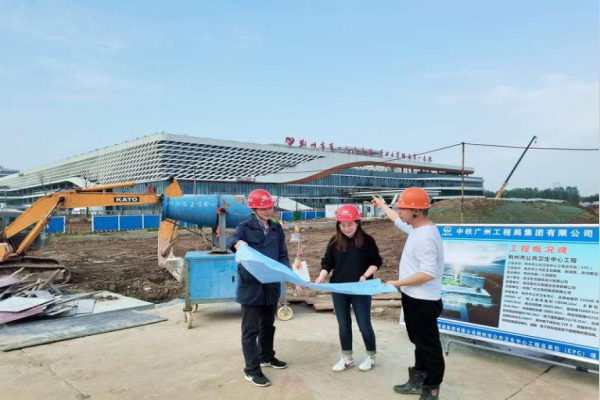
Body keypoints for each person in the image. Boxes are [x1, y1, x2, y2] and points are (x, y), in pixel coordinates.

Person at [372, 189, 446, 400]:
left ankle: (431, 389)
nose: (399, 211)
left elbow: (428, 273)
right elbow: (396, 220)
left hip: (423, 301)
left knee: (429, 347)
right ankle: (417, 380)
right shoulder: (416, 228)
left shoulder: (426, 237)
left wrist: (397, 283)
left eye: (402, 208)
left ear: (416, 211)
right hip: (413, 297)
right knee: (419, 342)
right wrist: (381, 205)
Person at [228, 189, 290, 388]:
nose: (267, 211)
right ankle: (252, 370)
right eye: (263, 208)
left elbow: (282, 253)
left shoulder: (276, 229)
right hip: (251, 286)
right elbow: (231, 240)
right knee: (250, 331)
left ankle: (266, 356)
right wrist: (236, 243)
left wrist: (286, 271)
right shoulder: (244, 227)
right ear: (254, 209)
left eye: (270, 207)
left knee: (268, 326)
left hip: (270, 285)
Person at [316, 205, 383, 373]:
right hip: (339, 288)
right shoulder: (334, 241)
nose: (346, 228)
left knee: (364, 324)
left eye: (350, 224)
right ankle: (347, 357)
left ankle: (371, 356)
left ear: (357, 223)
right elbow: (327, 262)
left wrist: (365, 276)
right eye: (343, 225)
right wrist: (322, 276)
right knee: (343, 324)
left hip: (360, 288)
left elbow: (376, 261)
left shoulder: (367, 240)